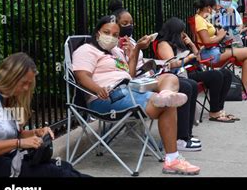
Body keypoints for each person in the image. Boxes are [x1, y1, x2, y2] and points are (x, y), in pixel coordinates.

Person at [72, 16, 200, 175]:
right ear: (97, 32)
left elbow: (129, 75)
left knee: (171, 79)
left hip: (130, 87)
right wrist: (98, 89)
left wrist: (135, 51)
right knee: (167, 104)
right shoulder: (86, 50)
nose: (111, 37)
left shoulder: (116, 51)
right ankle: (172, 160)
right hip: (107, 97)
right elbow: (82, 76)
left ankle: (165, 95)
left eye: (115, 34)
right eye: (107, 32)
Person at [109, 0, 201, 152]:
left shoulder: (131, 40)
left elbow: (139, 62)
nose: (130, 26)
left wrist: (148, 60)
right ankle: (179, 139)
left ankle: (186, 136)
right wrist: (134, 51)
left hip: (144, 76)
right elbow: (127, 74)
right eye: (125, 23)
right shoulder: (112, 46)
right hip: (133, 83)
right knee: (184, 86)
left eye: (131, 22)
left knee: (189, 84)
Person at [0, 53, 88, 177]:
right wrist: (19, 143)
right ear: (10, 76)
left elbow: (14, 135)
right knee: (55, 173)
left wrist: (36, 133)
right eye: (24, 83)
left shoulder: (10, 97)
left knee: (64, 167)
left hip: (9, 158)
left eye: (29, 84)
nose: (26, 88)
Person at [155, 17, 237, 123]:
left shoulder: (179, 43)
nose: (183, 34)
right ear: (175, 32)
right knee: (216, 75)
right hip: (181, 75)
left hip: (192, 70)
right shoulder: (164, 44)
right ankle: (214, 112)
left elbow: (198, 58)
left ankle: (219, 109)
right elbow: (171, 64)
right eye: (181, 32)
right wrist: (187, 59)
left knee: (226, 74)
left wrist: (191, 44)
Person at [193, 0, 247, 100]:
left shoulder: (203, 19)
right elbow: (206, 42)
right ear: (208, 8)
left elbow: (226, 29)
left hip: (214, 49)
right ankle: (245, 89)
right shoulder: (199, 20)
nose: (213, 11)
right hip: (210, 54)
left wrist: (226, 21)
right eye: (213, 8)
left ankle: (244, 88)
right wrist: (220, 35)